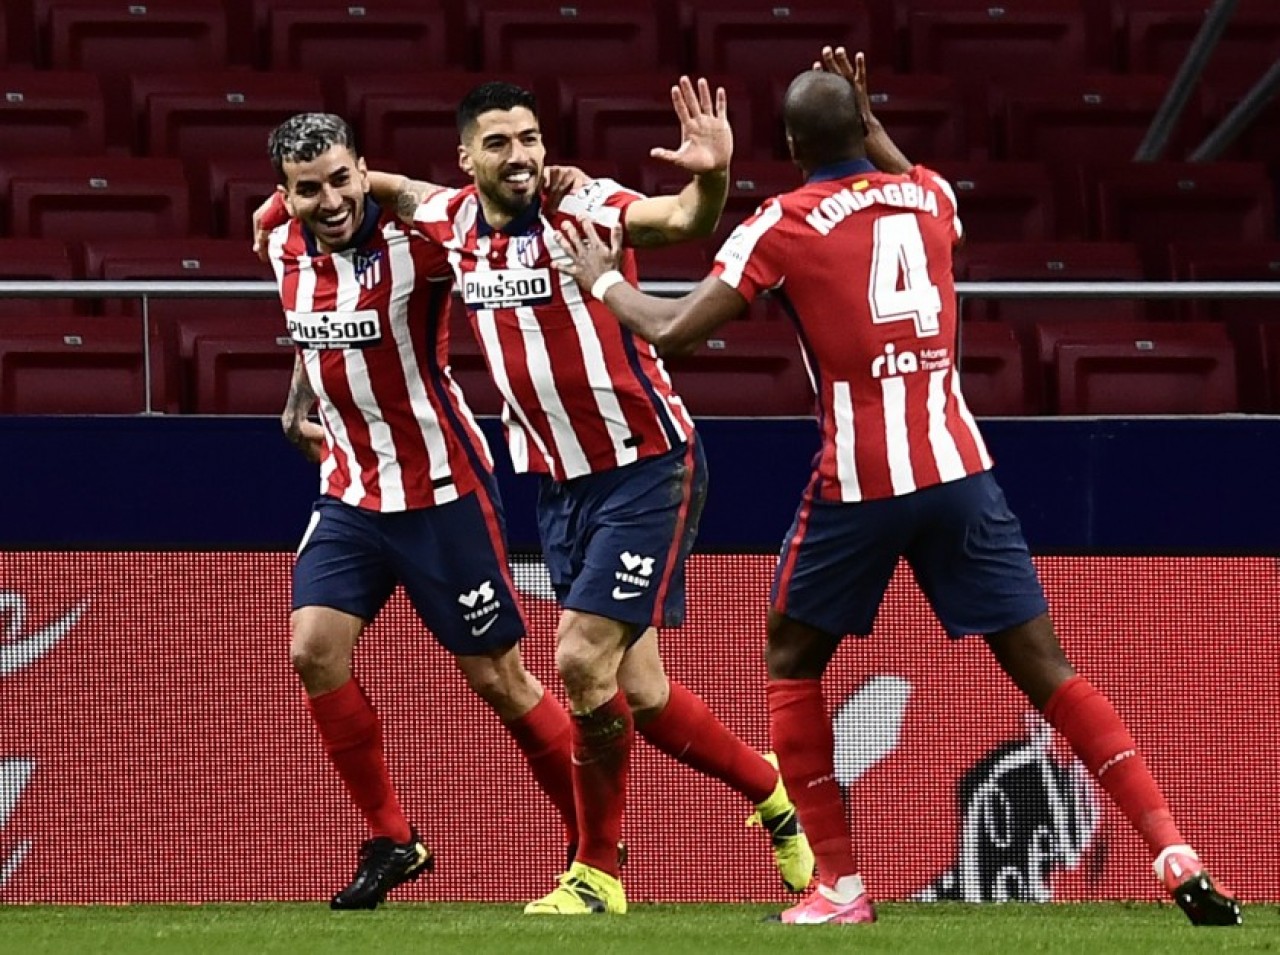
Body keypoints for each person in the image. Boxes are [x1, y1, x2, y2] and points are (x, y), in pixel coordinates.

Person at [547, 49, 1243, 928]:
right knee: (1049, 669)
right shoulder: (932, 195)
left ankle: (838, 887)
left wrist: (603, 280)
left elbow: (676, 331)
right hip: (961, 472)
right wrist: (872, 124)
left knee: (792, 660)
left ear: (792, 145)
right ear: (864, 127)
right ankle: (1172, 845)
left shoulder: (780, 224)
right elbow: (908, 179)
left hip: (861, 482)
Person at [355, 76, 816, 914]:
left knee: (576, 660)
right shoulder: (450, 219)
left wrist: (713, 174)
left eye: (530, 138)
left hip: (648, 466)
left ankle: (597, 872)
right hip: (561, 486)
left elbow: (682, 220)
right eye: (499, 142)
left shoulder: (584, 207)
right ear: (467, 159)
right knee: (641, 693)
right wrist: (280, 205)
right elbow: (384, 186)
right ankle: (772, 791)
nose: (521, 155)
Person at [264, 112, 585, 910]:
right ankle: (393, 838)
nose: (330, 201)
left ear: (364, 169)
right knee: (312, 649)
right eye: (309, 189)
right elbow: (313, 333)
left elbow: (493, 212)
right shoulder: (277, 240)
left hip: (443, 491)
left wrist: (551, 187)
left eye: (342, 180)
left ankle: (594, 845)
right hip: (349, 492)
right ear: (286, 194)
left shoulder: (420, 241)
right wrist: (297, 400)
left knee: (499, 678)